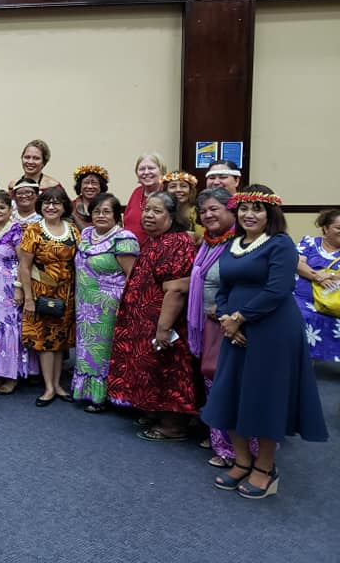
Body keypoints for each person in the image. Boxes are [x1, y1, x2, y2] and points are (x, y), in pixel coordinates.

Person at [202, 186, 328, 499]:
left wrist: (239, 318)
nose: (249, 214)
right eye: (244, 208)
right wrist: (227, 320)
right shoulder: (233, 244)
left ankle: (265, 469)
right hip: (235, 328)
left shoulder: (281, 244)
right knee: (231, 392)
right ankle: (242, 461)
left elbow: (278, 289)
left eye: (257, 209)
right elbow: (222, 285)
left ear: (270, 213)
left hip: (272, 330)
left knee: (265, 398)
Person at [107, 192, 198, 441]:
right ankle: (156, 413)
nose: (148, 215)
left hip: (165, 323)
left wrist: (163, 328)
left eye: (157, 211)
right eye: (147, 209)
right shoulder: (156, 239)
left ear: (171, 216)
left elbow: (177, 289)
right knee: (151, 368)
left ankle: (173, 425)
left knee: (169, 370)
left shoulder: (177, 243)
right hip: (146, 321)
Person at [188, 187, 254, 467]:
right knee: (214, 383)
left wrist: (229, 312)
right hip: (207, 323)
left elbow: (251, 284)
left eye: (215, 208)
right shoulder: (210, 243)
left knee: (230, 385)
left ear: (231, 211)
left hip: (233, 324)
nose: (208, 214)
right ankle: (222, 442)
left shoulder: (241, 243)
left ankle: (239, 451)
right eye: (203, 211)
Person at [71, 193, 139, 412]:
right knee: (85, 348)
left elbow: (132, 276)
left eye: (106, 211)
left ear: (116, 214)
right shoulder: (87, 233)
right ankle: (86, 391)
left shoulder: (124, 238)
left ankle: (104, 397)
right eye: (96, 211)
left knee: (103, 351)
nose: (100, 215)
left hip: (109, 306)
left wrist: (127, 306)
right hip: (84, 303)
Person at [18, 186, 80, 406]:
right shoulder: (33, 230)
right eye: (46, 203)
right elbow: (24, 267)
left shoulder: (73, 229)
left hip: (67, 292)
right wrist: (28, 298)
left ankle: (59, 385)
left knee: (61, 341)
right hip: (41, 291)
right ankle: (49, 387)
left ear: (64, 206)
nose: (51, 207)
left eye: (56, 203)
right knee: (45, 342)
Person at [0, 191, 38, 394]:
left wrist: (20, 288)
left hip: (8, 287)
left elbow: (24, 262)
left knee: (9, 329)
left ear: (9, 209)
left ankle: (11, 376)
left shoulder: (15, 230)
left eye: (1, 207)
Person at [294, 208, 340, 361]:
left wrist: (331, 275)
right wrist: (318, 276)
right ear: (325, 228)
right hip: (301, 299)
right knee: (296, 313)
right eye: (338, 228)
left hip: (333, 304)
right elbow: (297, 264)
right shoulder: (310, 243)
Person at [123, 152, 167, 245]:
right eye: (142, 169)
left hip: (156, 252)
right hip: (130, 251)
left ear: (161, 171)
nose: (146, 172)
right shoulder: (137, 192)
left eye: (151, 168)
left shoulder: (167, 193)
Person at [162, 170, 200, 237]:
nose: (178, 190)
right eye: (173, 186)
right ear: (166, 191)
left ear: (190, 190)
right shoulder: (163, 212)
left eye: (183, 186)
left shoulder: (198, 212)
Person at [70, 165, 109, 231]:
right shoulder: (70, 207)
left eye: (94, 183)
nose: (90, 186)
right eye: (86, 183)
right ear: (80, 186)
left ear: (101, 186)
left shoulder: (110, 206)